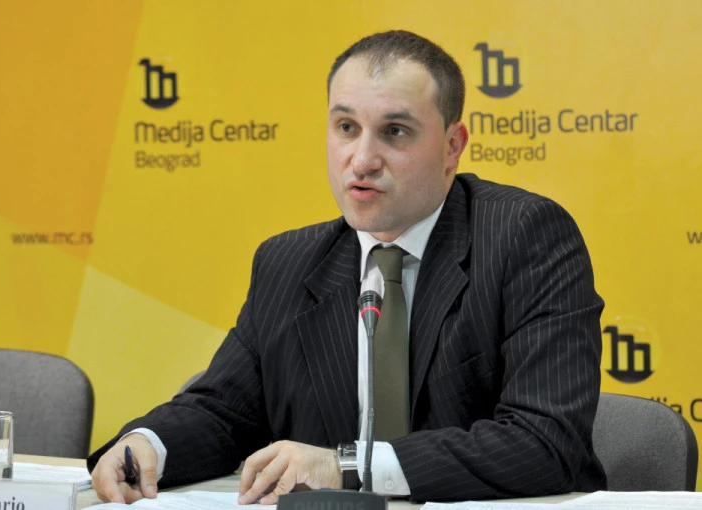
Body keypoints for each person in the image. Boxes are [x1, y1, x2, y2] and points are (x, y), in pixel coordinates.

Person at [88, 30, 606, 504]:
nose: (361, 160)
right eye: (346, 127)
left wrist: (350, 466)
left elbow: (545, 441)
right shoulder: (287, 262)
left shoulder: (524, 236)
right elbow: (224, 411)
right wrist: (148, 443)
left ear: (452, 147)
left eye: (395, 131)